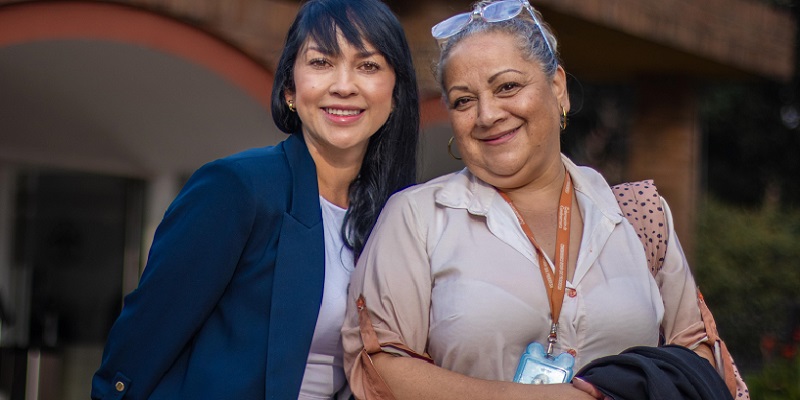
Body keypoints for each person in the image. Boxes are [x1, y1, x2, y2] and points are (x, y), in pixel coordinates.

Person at [342, 1, 739, 399]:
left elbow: (697, 355)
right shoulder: (417, 218)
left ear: (558, 88)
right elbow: (380, 366)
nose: (487, 114)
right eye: (463, 100)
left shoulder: (637, 215)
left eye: (507, 87)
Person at [91, 0, 418, 398]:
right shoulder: (236, 188)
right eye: (321, 62)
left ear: (396, 92)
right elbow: (141, 344)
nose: (344, 84)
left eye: (368, 65)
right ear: (290, 89)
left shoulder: (396, 214)